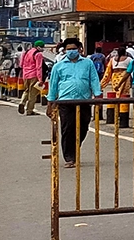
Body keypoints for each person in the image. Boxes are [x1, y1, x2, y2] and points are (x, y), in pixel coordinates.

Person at [47, 39, 101, 167]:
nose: (71, 51)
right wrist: (50, 103)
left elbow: (94, 79)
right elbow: (53, 85)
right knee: (67, 129)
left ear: (80, 49)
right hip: (65, 101)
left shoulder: (88, 63)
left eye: (74, 49)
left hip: (84, 100)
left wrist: (97, 95)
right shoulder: (58, 66)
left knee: (83, 127)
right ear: (65, 50)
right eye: (69, 49)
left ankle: (75, 148)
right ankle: (69, 157)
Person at [17, 41, 46, 116]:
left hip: (25, 75)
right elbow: (39, 67)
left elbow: (21, 65)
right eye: (42, 47)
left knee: (26, 91)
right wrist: (40, 79)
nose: (43, 49)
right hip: (34, 75)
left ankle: (22, 102)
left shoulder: (26, 52)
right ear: (38, 47)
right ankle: (29, 110)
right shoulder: (38, 54)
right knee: (33, 94)